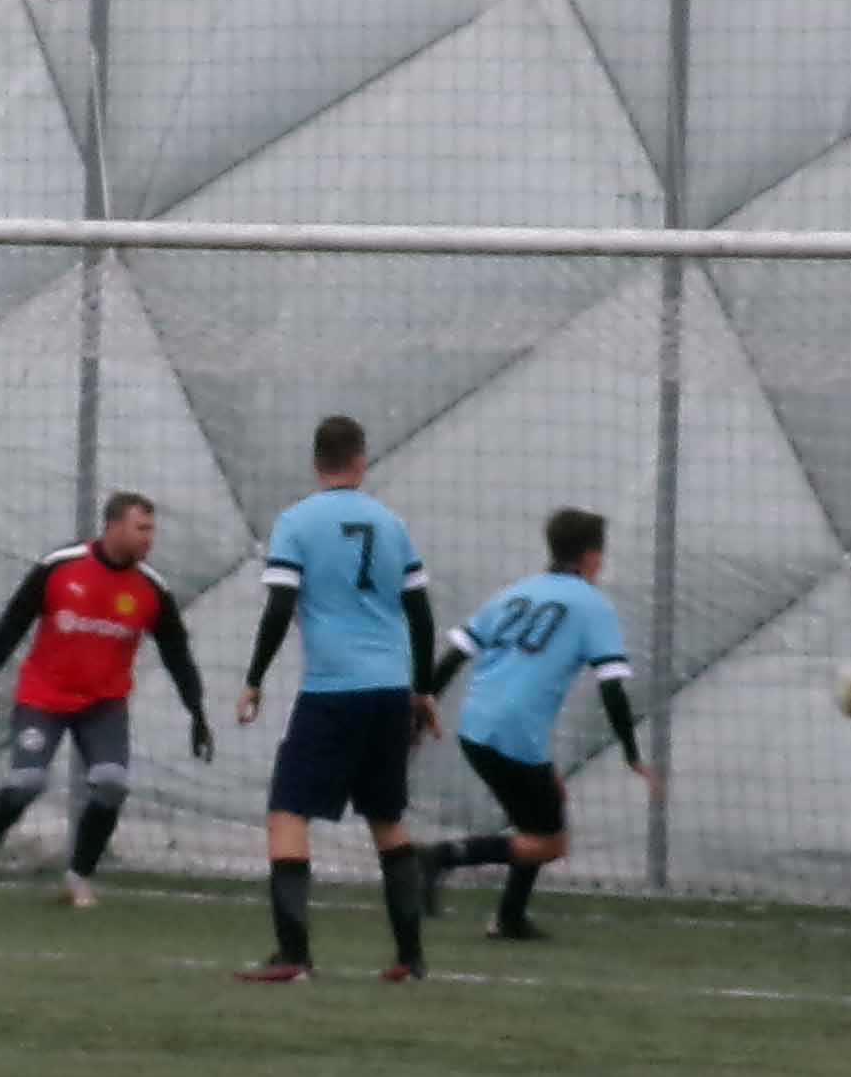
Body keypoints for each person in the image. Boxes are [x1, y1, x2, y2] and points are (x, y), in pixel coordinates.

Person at [231, 413, 436, 983]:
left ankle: (293, 955)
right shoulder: (392, 524)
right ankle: (410, 957)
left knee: (287, 812)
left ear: (315, 462)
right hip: (390, 691)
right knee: (387, 819)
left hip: (333, 691)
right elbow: (421, 615)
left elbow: (279, 606)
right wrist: (423, 690)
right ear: (361, 460)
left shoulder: (296, 522)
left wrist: (254, 678)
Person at [0, 489, 212, 908]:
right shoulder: (61, 567)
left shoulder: (151, 589)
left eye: (152, 530)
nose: (149, 538)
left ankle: (77, 879)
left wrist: (196, 711)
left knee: (111, 786)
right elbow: (15, 619)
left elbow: (177, 654)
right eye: (141, 528)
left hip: (103, 706)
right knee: (26, 783)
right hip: (43, 698)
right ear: (113, 526)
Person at [415, 506, 655, 943]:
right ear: (591, 556)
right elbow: (612, 688)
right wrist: (632, 754)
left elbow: (454, 654)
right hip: (514, 733)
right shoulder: (593, 606)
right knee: (550, 843)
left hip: (477, 726)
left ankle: (509, 917)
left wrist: (424, 705)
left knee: (543, 810)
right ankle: (440, 857)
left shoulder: (516, 592)